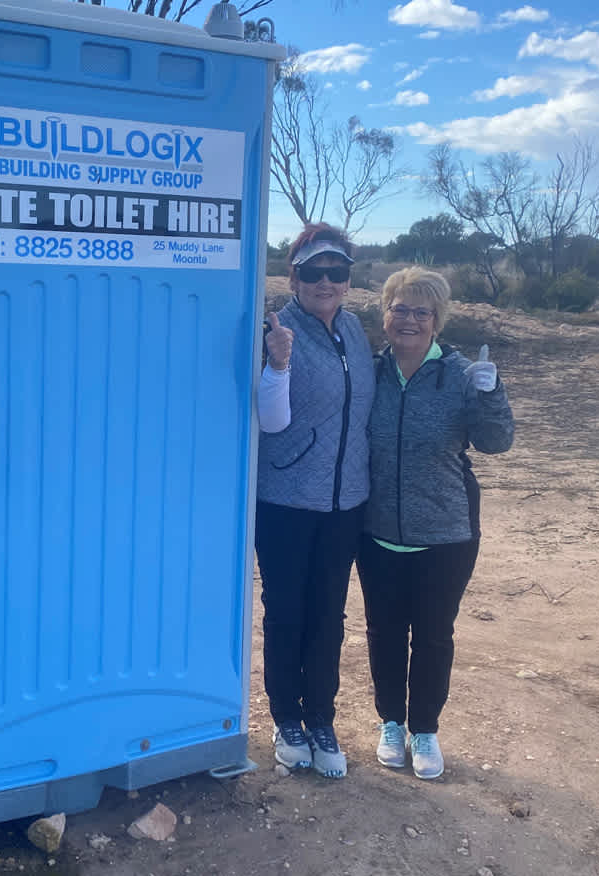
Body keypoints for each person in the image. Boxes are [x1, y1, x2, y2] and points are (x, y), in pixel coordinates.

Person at [357, 267, 513, 780]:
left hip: (446, 533)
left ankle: (424, 729)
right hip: (377, 530)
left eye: (421, 312)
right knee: (383, 632)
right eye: (399, 308)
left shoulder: (463, 374)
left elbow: (495, 442)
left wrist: (491, 395)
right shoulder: (369, 371)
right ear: (385, 314)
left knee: (432, 635)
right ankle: (390, 722)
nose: (408, 320)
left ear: (437, 321)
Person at [254, 223, 375, 779]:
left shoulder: (353, 330)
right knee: (286, 613)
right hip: (284, 501)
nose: (325, 282)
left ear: (348, 279)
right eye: (313, 272)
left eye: (337, 272)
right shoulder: (277, 329)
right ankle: (286, 720)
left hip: (345, 503)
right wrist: (278, 363)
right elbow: (272, 421)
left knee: (329, 616)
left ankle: (320, 718)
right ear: (293, 276)